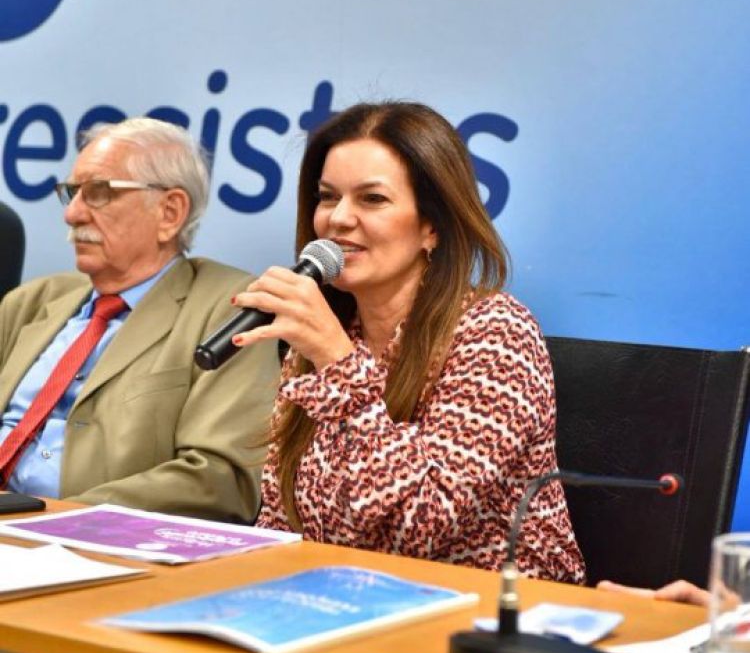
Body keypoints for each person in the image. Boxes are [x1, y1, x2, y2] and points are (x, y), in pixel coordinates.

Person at [232, 100, 584, 580]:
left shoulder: (496, 332)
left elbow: (419, 526)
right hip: (343, 598)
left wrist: (338, 364)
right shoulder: (322, 340)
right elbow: (280, 517)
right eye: (328, 197)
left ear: (432, 226)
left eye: (372, 199)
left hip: (484, 608)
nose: (338, 219)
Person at [0, 118, 279, 521]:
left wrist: (61, 519)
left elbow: (218, 479)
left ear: (170, 212)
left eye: (98, 193)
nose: (72, 214)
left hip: (82, 537)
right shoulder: (30, 302)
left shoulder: (231, 310)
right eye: (72, 193)